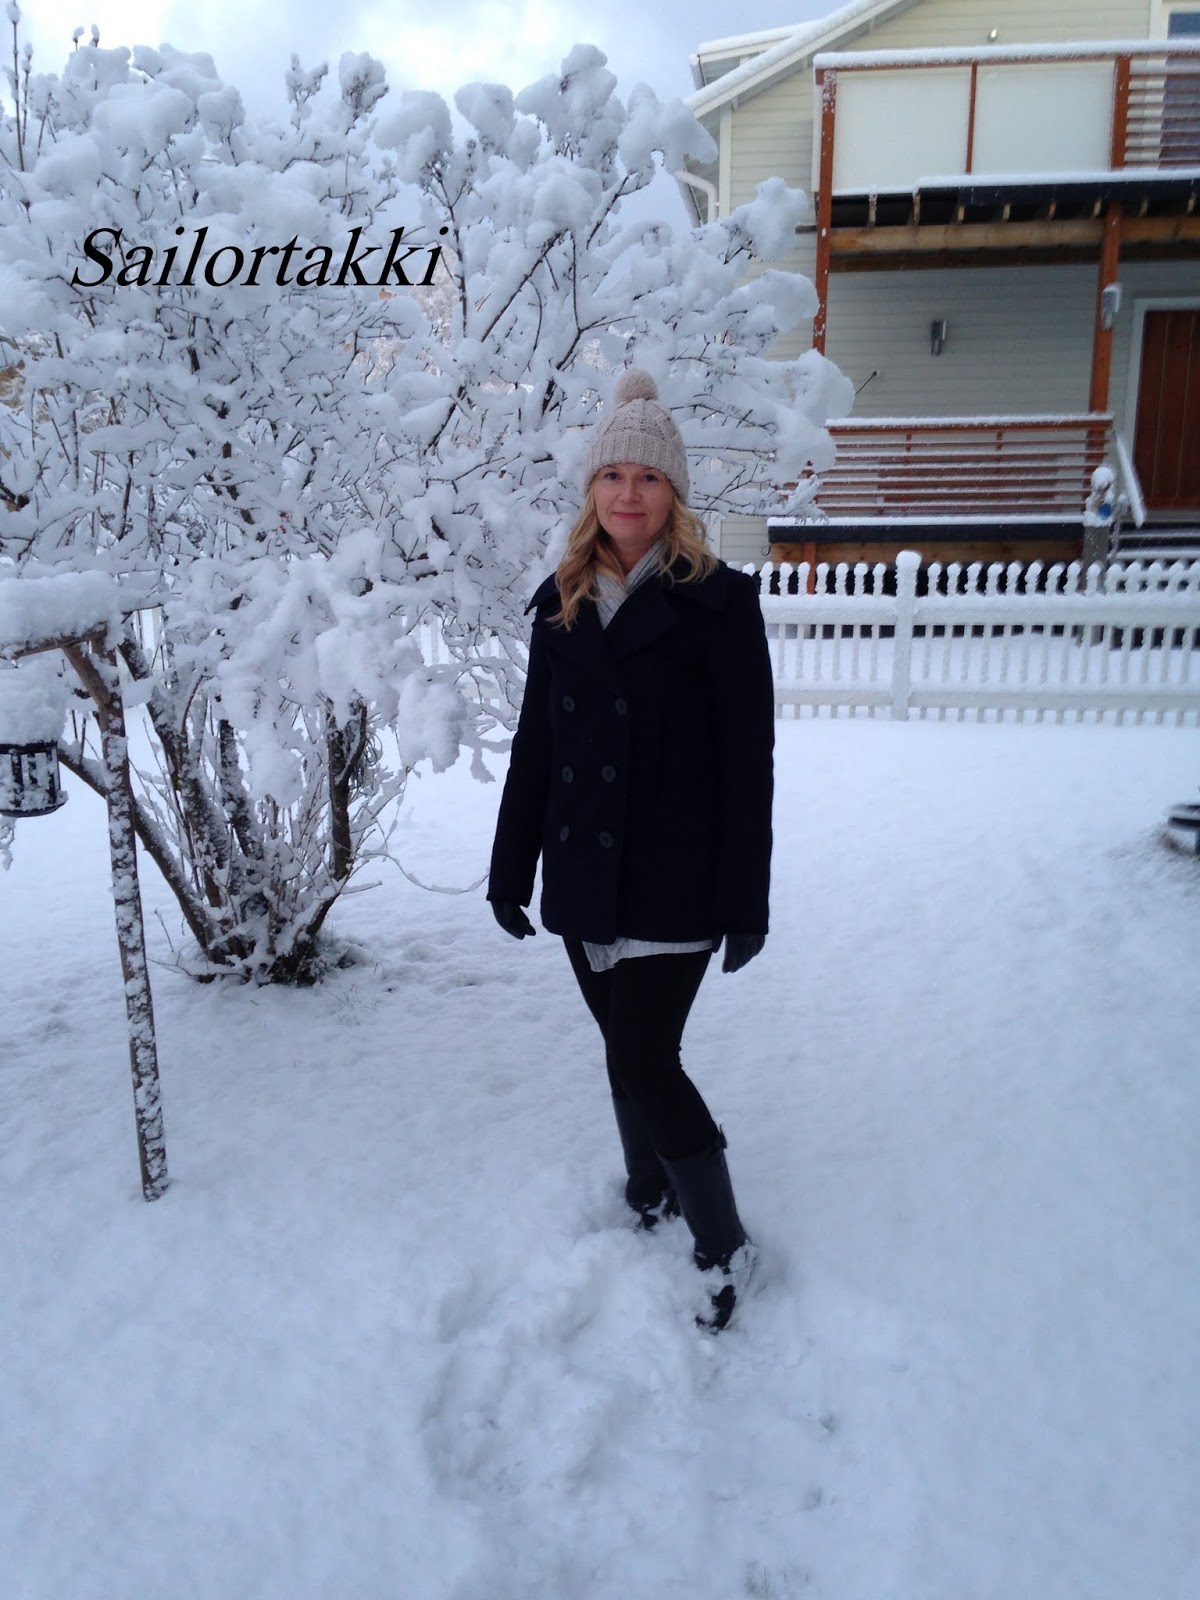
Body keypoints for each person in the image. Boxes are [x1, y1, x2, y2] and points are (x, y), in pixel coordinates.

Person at [487, 369, 774, 1332]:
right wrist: (510, 867)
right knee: (625, 1054)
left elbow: (748, 764)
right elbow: (536, 749)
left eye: (647, 477)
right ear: (592, 490)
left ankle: (724, 1244)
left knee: (648, 1059)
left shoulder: (719, 606)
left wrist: (744, 899)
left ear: (673, 493)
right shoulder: (562, 605)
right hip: (584, 879)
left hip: (675, 882)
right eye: (612, 475)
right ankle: (649, 1187)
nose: (628, 494)